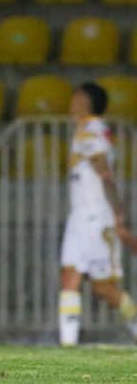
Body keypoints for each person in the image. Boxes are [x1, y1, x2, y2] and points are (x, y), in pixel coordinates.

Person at [58, 82, 137, 346]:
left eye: (75, 98)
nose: (71, 103)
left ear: (85, 101)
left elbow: (103, 170)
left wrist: (118, 213)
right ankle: (67, 345)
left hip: (95, 218)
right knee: (70, 277)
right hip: (80, 216)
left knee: (103, 288)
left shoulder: (89, 128)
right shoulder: (91, 129)